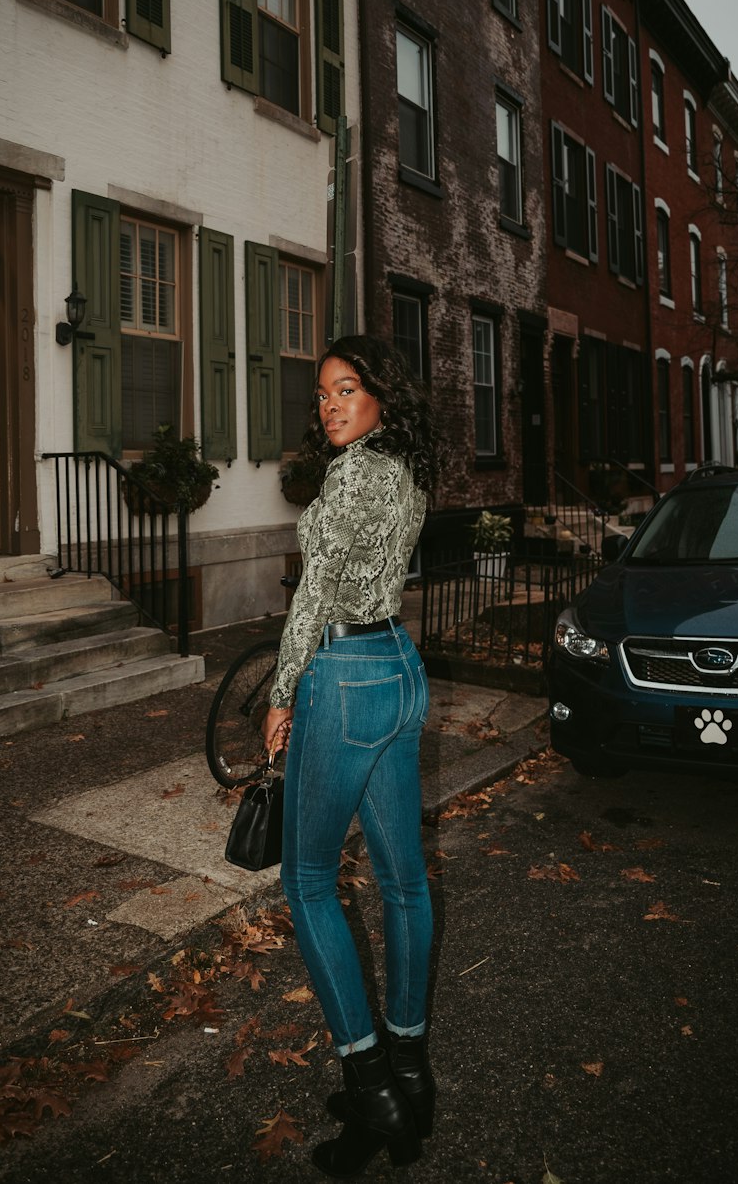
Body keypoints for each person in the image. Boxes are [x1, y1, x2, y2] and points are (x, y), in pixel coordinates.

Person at [262, 334, 438, 1178]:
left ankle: (372, 1088)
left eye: (346, 390)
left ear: (379, 396)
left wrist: (280, 692)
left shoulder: (353, 476)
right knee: (404, 882)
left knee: (305, 881)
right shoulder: (406, 469)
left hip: (345, 677)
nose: (330, 405)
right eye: (323, 394)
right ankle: (411, 1071)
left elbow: (313, 596)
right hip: (400, 668)